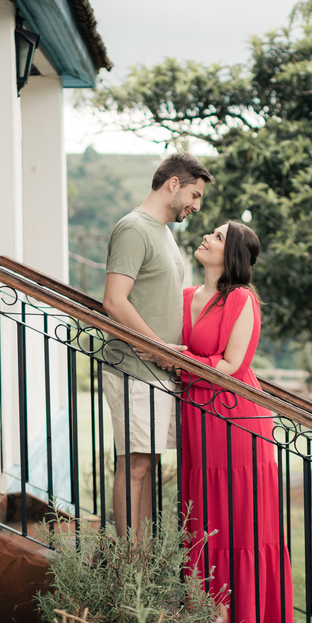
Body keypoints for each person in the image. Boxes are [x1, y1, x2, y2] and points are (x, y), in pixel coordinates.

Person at [179, 220, 293, 623]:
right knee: (205, 516)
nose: (206, 237)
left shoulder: (242, 299)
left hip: (237, 417)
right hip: (198, 416)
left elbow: (230, 365)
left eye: (218, 236)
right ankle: (206, 618)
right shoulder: (186, 296)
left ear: (232, 255)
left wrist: (177, 360)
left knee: (240, 520)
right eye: (210, 231)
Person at [102, 152, 213, 538]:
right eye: (195, 196)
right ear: (173, 184)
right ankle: (130, 562)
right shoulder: (133, 229)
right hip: (135, 368)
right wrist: (159, 349)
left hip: (159, 370)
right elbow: (114, 300)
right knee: (134, 465)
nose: (196, 206)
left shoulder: (163, 232)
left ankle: (144, 559)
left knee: (146, 467)